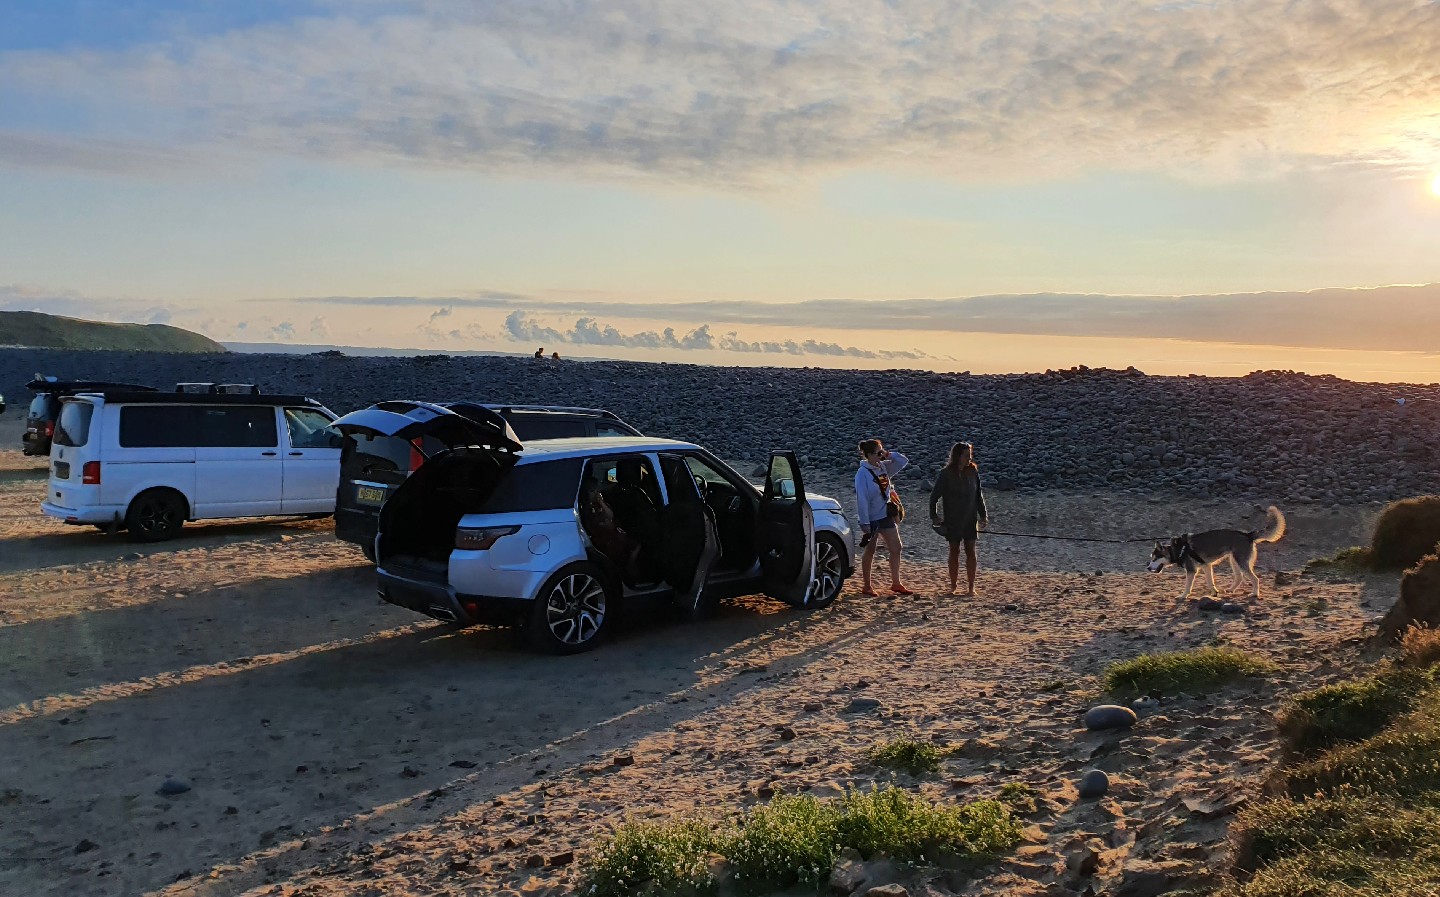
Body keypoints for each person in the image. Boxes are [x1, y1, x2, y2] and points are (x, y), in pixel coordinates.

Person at [929, 442, 988, 596]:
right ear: (958, 456)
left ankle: (971, 588)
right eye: (966, 455)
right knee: (954, 551)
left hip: (970, 518)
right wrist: (934, 516)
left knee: (971, 551)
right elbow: (934, 497)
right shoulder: (946, 474)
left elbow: (978, 495)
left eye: (970, 455)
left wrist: (983, 515)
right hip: (952, 520)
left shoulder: (973, 471)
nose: (970, 458)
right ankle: (953, 587)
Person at [855, 438, 911, 596]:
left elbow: (902, 461)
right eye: (878, 453)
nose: (881, 455)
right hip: (872, 517)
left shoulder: (883, 467)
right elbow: (862, 498)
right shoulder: (862, 474)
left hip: (885, 514)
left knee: (896, 547)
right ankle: (867, 585)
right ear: (868, 455)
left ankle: (896, 583)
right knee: (870, 550)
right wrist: (864, 522)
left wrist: (888, 454)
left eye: (881, 451)